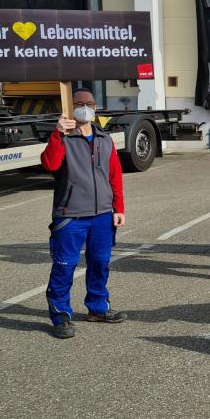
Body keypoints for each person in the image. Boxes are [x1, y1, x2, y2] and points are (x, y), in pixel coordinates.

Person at [40, 88, 126, 339]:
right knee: (64, 266)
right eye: (79, 103)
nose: (84, 107)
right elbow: (50, 164)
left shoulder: (104, 138)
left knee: (100, 263)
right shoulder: (63, 138)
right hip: (70, 215)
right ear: (70, 107)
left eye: (89, 103)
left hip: (102, 215)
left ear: (96, 107)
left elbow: (115, 177)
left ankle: (98, 308)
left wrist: (119, 208)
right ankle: (61, 316)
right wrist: (57, 133)